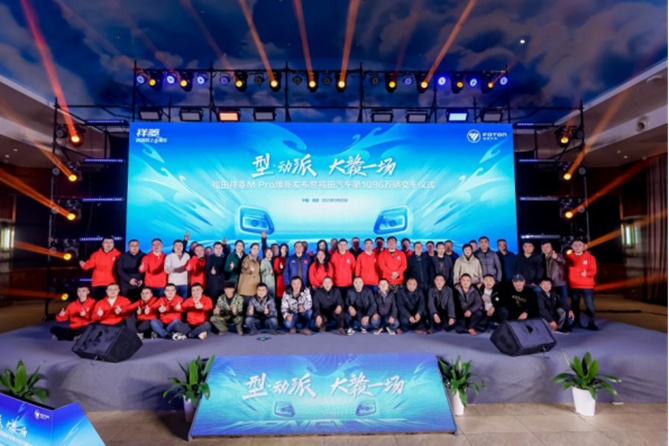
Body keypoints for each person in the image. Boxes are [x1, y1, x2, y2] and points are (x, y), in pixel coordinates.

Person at [566, 239, 599, 330]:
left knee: (590, 306)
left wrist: (587, 274)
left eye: (580, 245)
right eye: (575, 245)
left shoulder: (590, 257)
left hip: (587, 286)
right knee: (574, 305)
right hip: (574, 285)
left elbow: (594, 270)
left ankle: (591, 323)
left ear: (584, 247)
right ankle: (576, 323)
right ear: (572, 247)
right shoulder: (568, 257)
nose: (577, 247)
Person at [541, 240, 569, 312]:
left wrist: (557, 258)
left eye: (547, 247)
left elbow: (563, 262)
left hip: (560, 283)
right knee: (552, 304)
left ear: (551, 247)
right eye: (543, 247)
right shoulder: (541, 257)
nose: (545, 249)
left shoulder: (557, 255)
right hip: (549, 285)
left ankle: (566, 319)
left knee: (563, 303)